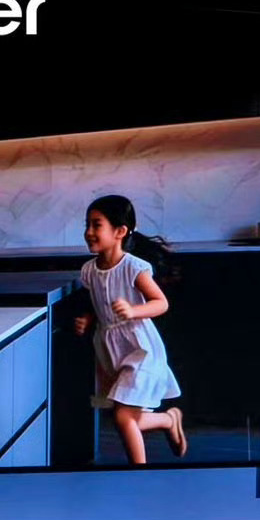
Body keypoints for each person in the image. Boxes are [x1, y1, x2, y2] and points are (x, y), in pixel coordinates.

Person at [75, 194, 187, 465]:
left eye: (96, 225)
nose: (89, 232)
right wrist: (89, 318)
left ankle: (138, 474)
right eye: (87, 225)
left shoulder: (133, 268)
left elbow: (161, 303)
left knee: (124, 417)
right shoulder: (89, 271)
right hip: (111, 349)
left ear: (120, 231)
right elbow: (99, 301)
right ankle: (168, 419)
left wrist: (134, 310)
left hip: (140, 348)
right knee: (127, 418)